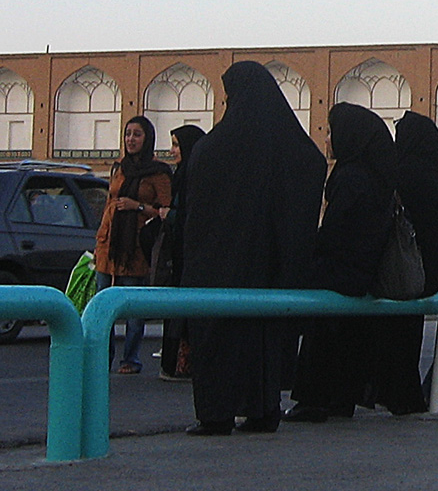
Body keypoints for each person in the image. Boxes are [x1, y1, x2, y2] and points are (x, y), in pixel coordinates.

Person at [180, 61, 326, 435]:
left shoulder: (215, 148)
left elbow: (195, 212)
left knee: (219, 334)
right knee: (262, 335)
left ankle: (216, 414)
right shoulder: (292, 148)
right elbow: (312, 165)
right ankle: (263, 409)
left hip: (219, 263)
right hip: (269, 267)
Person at [286, 103, 396, 423]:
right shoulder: (377, 176)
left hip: (340, 273)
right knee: (348, 339)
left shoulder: (349, 177)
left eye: (332, 132)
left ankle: (314, 399)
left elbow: (336, 232)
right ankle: (341, 398)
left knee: (321, 333)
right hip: (363, 274)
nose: (328, 139)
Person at [371, 111, 438, 415]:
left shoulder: (404, 176)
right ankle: (403, 397)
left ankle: (395, 395)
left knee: (394, 341)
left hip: (400, 274)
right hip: (424, 279)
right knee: (407, 341)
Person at [93, 115, 172, 374]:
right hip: (109, 244)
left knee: (132, 307)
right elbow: (109, 203)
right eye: (128, 134)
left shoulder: (158, 173)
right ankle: (102, 357)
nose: (131, 139)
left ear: (147, 138)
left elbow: (165, 211)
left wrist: (136, 206)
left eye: (137, 134)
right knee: (102, 304)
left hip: (135, 246)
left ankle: (131, 358)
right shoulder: (120, 168)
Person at [157, 124, 207, 381]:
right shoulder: (183, 173)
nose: (172, 150)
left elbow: (193, 213)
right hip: (180, 253)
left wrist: (170, 215)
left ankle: (183, 364)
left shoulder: (193, 175)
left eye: (177, 145)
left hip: (190, 254)